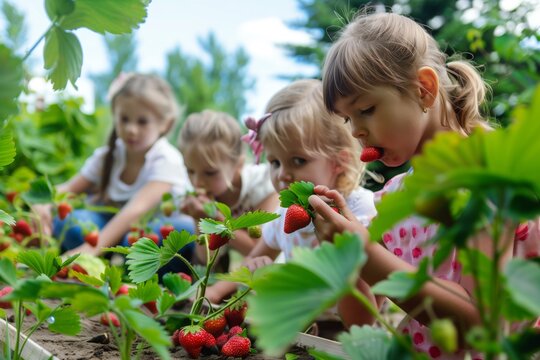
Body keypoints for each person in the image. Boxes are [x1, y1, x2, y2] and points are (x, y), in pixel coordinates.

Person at [308, 11, 540, 359]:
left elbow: (485, 325)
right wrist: (347, 260)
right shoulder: (395, 199)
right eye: (347, 118)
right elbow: (364, 327)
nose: (355, 131)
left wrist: (369, 256)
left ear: (423, 89)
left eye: (366, 109)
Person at [210, 79, 377, 309]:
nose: (283, 174)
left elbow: (376, 292)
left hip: (351, 331)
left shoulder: (362, 210)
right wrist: (218, 290)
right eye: (275, 162)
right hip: (302, 328)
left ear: (340, 161)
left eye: (298, 160)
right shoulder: (284, 214)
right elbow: (252, 260)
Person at [35, 73, 195, 262]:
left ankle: (122, 260)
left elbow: (135, 211)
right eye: (124, 119)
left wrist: (90, 249)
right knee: (70, 223)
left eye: (142, 121)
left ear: (164, 124)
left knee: (136, 242)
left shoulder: (167, 159)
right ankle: (107, 257)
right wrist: (43, 202)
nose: (131, 129)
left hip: (158, 230)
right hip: (117, 232)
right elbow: (69, 188)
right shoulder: (108, 156)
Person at [178, 110, 279, 301]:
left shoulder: (264, 185)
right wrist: (198, 218)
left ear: (238, 164)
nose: (197, 182)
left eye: (209, 172)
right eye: (190, 171)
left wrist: (218, 220)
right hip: (241, 274)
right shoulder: (207, 194)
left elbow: (260, 249)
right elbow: (207, 261)